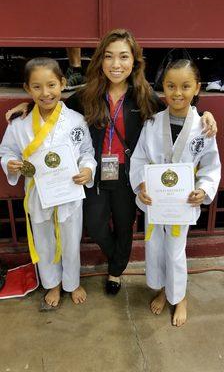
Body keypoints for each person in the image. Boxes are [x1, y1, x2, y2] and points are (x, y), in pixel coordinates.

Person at [5, 30, 218, 296]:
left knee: (124, 224)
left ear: (134, 62)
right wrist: (27, 105)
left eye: (123, 57)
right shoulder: (87, 95)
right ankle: (117, 259)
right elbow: (53, 107)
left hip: (128, 175)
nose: (116, 64)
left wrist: (205, 113)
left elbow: (176, 112)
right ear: (100, 61)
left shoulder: (144, 97)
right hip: (93, 174)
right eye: (109, 57)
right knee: (94, 224)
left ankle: (115, 271)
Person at [130, 58, 221, 326]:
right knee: (155, 247)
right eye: (170, 86)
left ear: (197, 88)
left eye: (185, 86)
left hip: (181, 202)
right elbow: (139, 160)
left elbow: (210, 166)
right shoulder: (152, 123)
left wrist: (203, 190)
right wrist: (141, 185)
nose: (177, 93)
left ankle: (179, 297)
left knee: (175, 251)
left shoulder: (203, 127)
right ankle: (161, 289)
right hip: (157, 202)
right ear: (163, 88)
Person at [0, 57, 96, 310]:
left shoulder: (76, 120)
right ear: (27, 88)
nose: (46, 93)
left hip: (69, 192)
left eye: (51, 85)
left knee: (71, 240)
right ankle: (52, 283)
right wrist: (10, 163)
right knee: (44, 240)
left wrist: (87, 169)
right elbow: (7, 151)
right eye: (37, 87)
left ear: (63, 83)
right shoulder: (19, 125)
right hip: (39, 194)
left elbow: (87, 151)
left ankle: (72, 283)